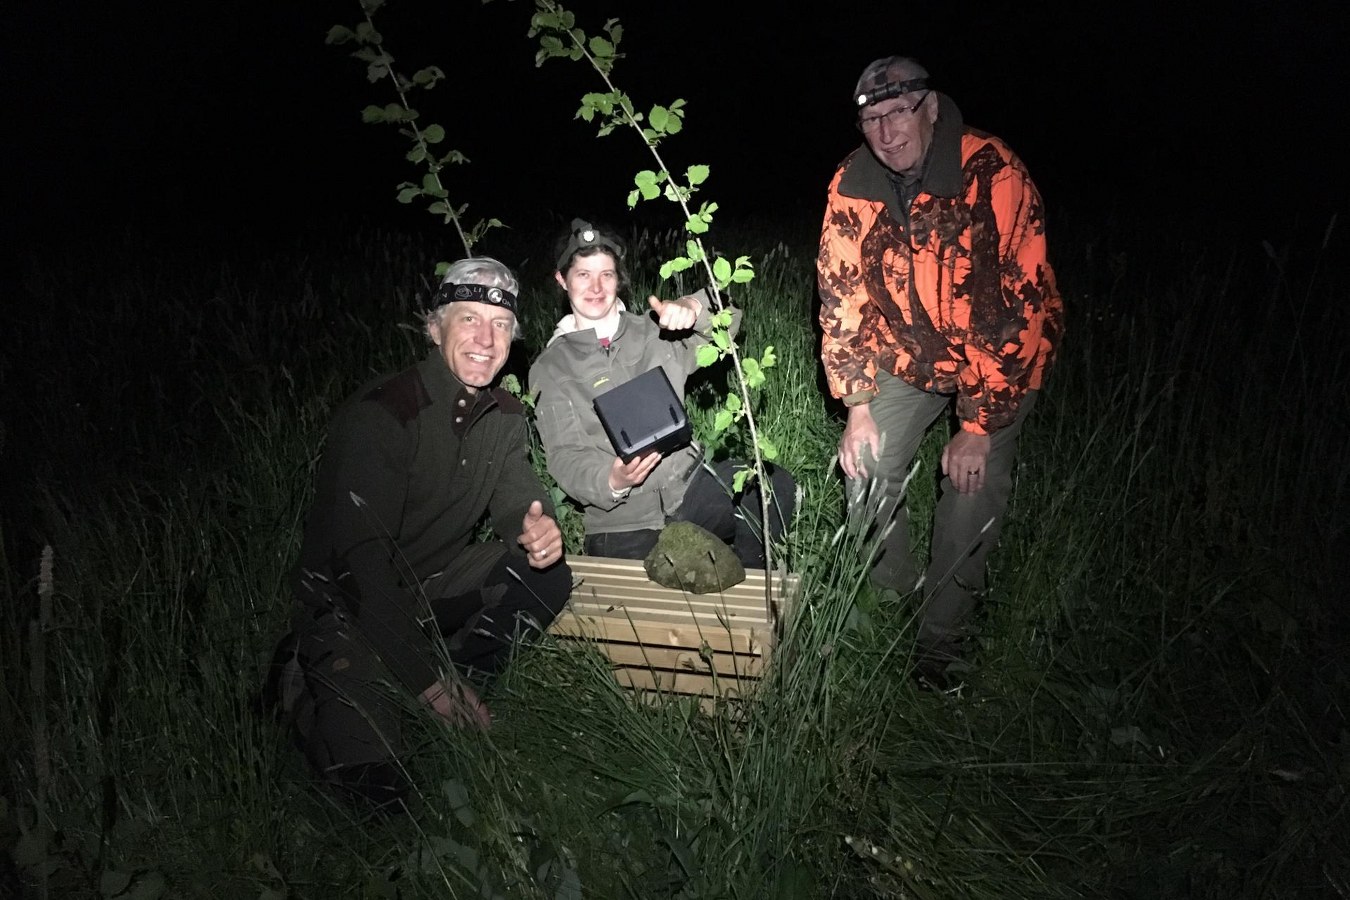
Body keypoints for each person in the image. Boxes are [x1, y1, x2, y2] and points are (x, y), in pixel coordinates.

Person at [263, 256, 572, 810]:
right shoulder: (383, 415)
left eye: (501, 324)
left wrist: (537, 523)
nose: (486, 339)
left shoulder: (503, 414)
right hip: (348, 604)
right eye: (468, 319)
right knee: (382, 796)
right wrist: (429, 684)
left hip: (427, 587)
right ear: (435, 328)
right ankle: (303, 682)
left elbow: (516, 496)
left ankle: (460, 677)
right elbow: (359, 569)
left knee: (544, 575)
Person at [816, 56, 1065, 682]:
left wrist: (976, 425)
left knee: (968, 483)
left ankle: (941, 641)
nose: (886, 132)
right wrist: (858, 406)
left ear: (929, 109)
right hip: (909, 353)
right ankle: (890, 594)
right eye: (872, 119)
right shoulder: (851, 183)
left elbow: (1015, 312)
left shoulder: (993, 172)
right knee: (866, 461)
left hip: (998, 360)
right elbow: (841, 296)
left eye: (899, 112)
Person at [528, 218, 795, 569]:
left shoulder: (653, 330)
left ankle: (753, 583)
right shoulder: (550, 368)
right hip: (622, 521)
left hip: (690, 487)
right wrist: (612, 480)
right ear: (562, 280)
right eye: (583, 275)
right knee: (657, 596)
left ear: (619, 279)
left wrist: (693, 307)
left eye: (607, 274)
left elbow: (726, 321)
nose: (596, 287)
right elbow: (565, 456)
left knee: (769, 485)